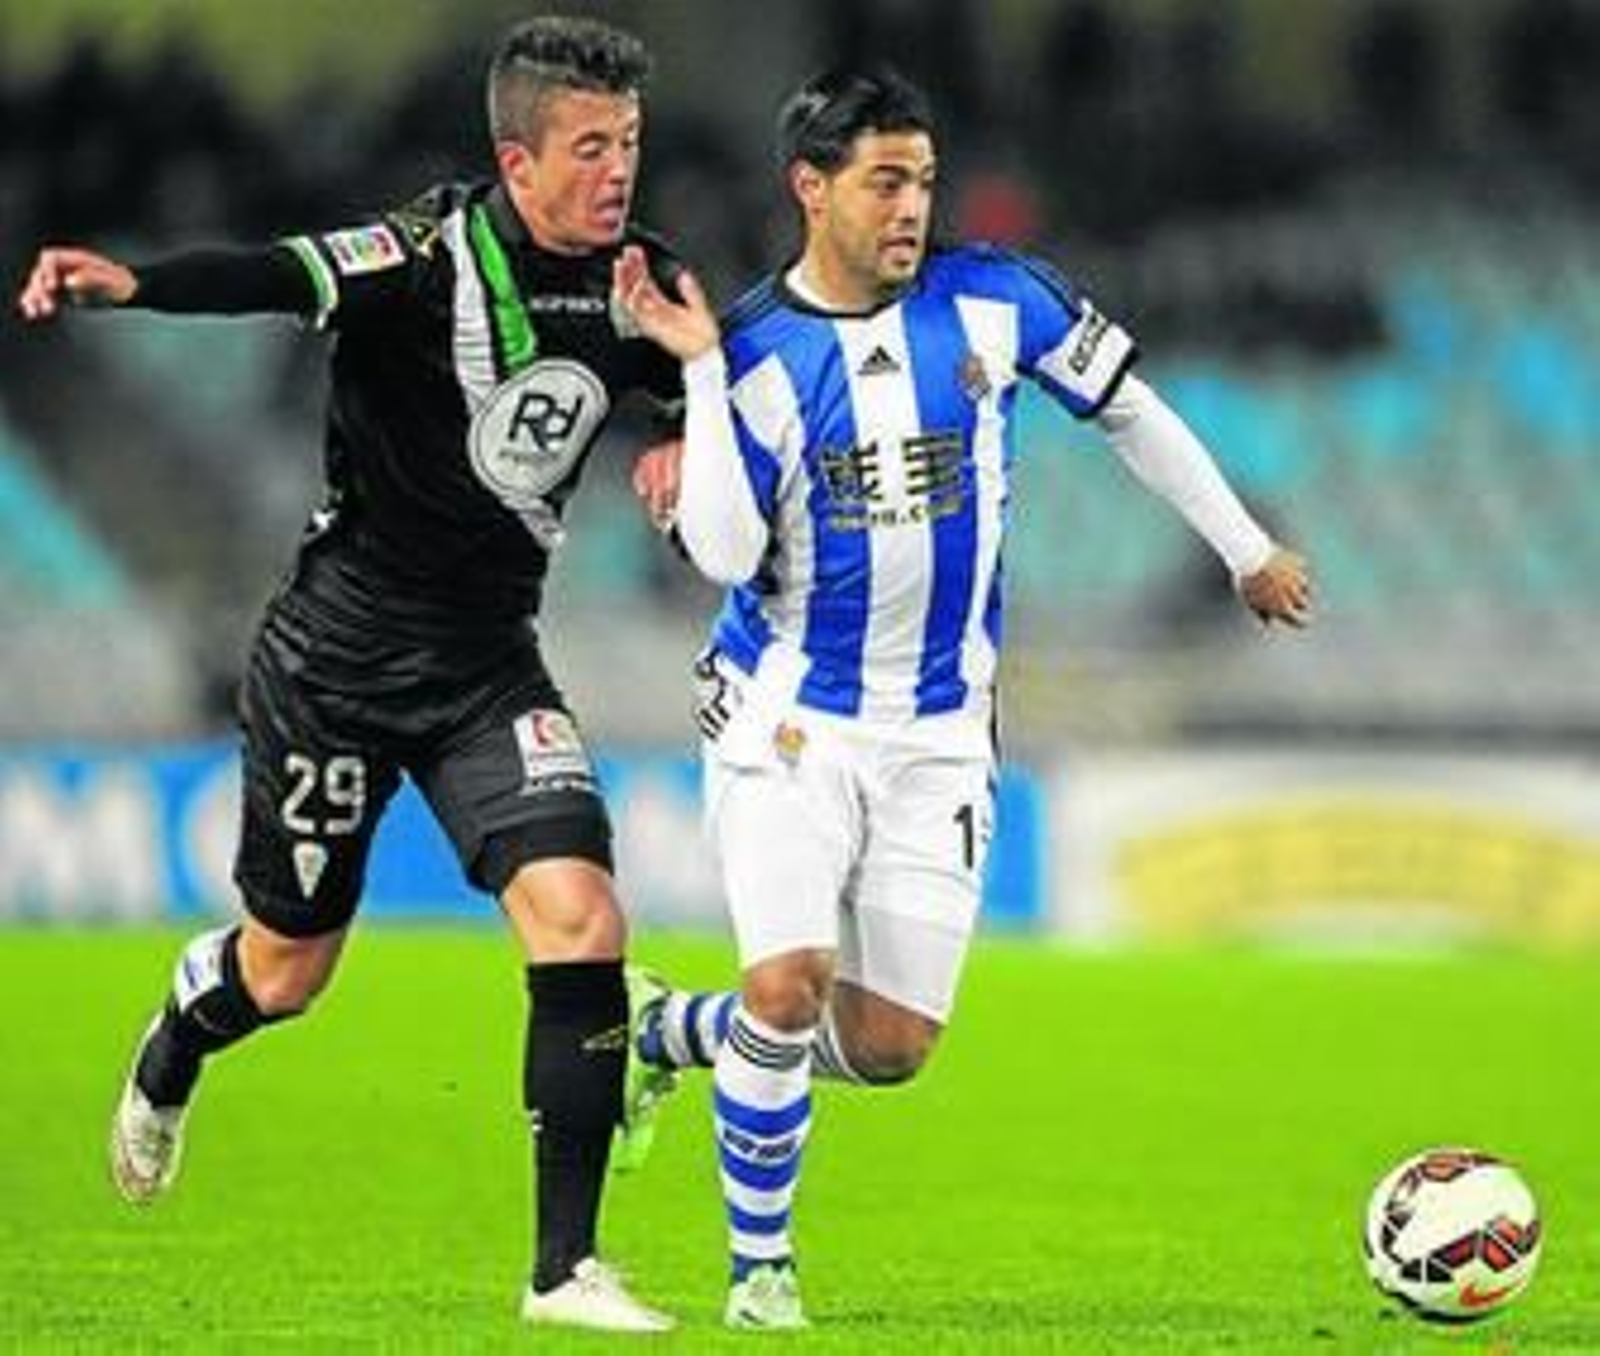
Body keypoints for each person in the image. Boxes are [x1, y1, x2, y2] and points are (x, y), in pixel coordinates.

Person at [612, 64, 1313, 1330]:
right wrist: (703, 381)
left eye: (924, 181)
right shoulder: (758, 353)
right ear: (809, 188)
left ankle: (668, 1034)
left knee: (886, 1046)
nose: (911, 208)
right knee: (789, 984)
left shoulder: (998, 299)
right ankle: (759, 1276)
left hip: (941, 731)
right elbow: (719, 554)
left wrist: (1244, 548)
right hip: (788, 715)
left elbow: (1131, 411)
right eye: (885, 181)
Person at [17, 15, 685, 1334]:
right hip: (334, 667)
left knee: (583, 921)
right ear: (521, 158)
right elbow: (271, 272)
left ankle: (564, 1272)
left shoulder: (641, 280)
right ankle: (178, 1033)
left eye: (634, 146)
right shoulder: (419, 255)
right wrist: (133, 286)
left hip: (490, 669)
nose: (619, 173)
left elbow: (691, 382)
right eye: (594, 148)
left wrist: (677, 439)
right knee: (286, 976)